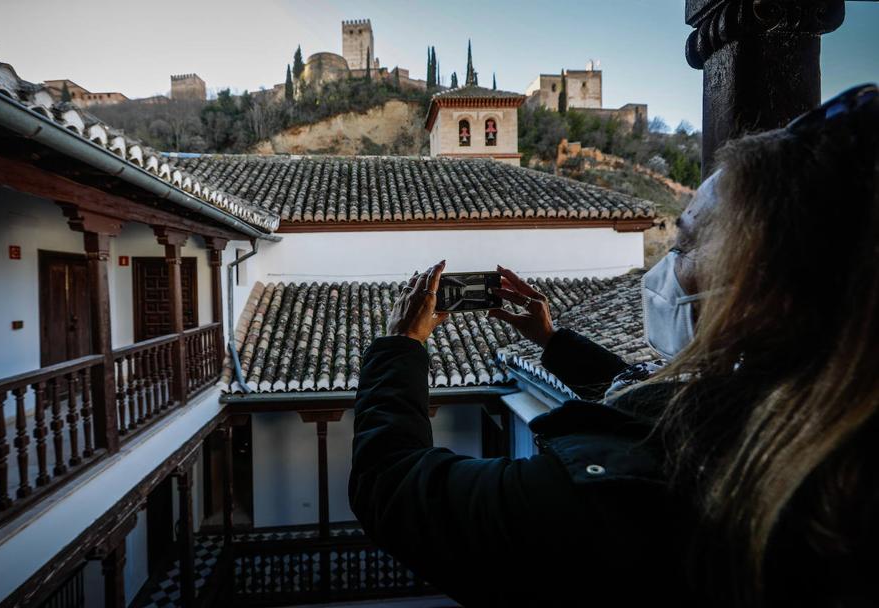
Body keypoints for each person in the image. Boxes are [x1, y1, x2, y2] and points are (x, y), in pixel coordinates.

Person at [348, 84, 878, 607]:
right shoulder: (821, 448)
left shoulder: (623, 498)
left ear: (764, 294)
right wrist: (553, 343)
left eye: (685, 243)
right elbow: (655, 410)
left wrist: (402, 347)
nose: (664, 268)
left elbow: (390, 486)